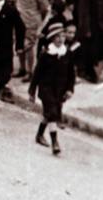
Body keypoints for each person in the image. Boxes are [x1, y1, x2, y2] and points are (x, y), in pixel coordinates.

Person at [29, 23, 76, 156]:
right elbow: (37, 74)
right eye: (57, 37)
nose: (60, 39)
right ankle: (55, 142)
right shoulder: (46, 54)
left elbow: (71, 74)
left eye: (62, 36)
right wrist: (32, 91)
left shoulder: (67, 53)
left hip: (59, 90)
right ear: (52, 39)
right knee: (53, 113)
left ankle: (39, 135)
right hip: (45, 88)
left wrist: (70, 89)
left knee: (49, 114)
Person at [13, 0, 51, 80]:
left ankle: (30, 72)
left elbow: (44, 7)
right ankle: (22, 69)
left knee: (28, 47)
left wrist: (40, 22)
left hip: (32, 21)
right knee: (19, 45)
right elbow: (16, 3)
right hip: (19, 20)